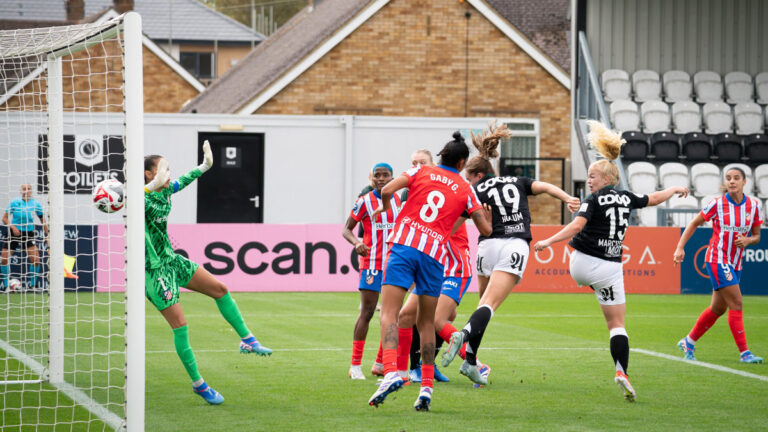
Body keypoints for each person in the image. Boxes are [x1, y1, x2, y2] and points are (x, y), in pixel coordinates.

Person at [533, 120, 690, 401]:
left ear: (606, 179)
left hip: (580, 264)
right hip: (609, 267)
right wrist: (675, 189)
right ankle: (621, 370)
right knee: (617, 325)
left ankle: (621, 375)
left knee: (613, 320)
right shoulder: (626, 198)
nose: (589, 180)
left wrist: (547, 241)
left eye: (592, 176)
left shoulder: (591, 201)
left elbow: (576, 227)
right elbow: (653, 198)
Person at [441, 121, 580, 387]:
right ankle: (464, 335)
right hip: (514, 244)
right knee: (488, 308)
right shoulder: (519, 181)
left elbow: (453, 226)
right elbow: (547, 187)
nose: (467, 182)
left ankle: (471, 363)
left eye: (469, 177)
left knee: (482, 305)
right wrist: (567, 198)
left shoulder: (475, 190)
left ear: (478, 175)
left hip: (486, 247)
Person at [368, 132, 492, 412]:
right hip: (435, 256)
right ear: (461, 162)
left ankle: (390, 373)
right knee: (427, 324)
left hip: (404, 246)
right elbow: (485, 229)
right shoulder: (465, 188)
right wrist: (487, 220)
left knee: (390, 313)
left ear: (442, 155)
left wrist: (388, 210)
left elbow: (387, 191)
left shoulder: (420, 170)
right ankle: (426, 389)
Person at [144, 141, 272, 405]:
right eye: (164, 169)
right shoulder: (141, 198)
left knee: (220, 289)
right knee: (180, 327)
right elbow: (130, 200)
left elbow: (184, 180)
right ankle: (199, 384)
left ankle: (247, 340)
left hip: (172, 260)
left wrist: (204, 166)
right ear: (149, 174)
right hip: (153, 271)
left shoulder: (164, 192)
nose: (170, 174)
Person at [673, 166, 763, 364]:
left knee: (718, 309)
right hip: (717, 258)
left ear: (744, 182)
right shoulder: (718, 204)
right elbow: (694, 223)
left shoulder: (754, 206)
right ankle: (745, 353)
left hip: (735, 263)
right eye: (728, 178)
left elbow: (757, 235)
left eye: (736, 178)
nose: (731, 181)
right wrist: (680, 247)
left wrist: (748, 241)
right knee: (737, 303)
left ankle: (689, 341)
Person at [342, 163, 401, 380]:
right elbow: (346, 229)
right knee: (367, 312)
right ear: (372, 179)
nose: (381, 179)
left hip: (395, 264)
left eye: (386, 175)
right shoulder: (364, 201)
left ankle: (380, 363)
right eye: (377, 176)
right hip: (372, 264)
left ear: (392, 178)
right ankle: (355, 366)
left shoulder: (398, 200)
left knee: (392, 314)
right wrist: (356, 243)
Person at [1, 184, 48, 291]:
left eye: (29, 189)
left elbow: (42, 220)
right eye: (24, 189)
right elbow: (4, 219)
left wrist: (47, 234)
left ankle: (33, 285)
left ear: (31, 191)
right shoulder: (14, 202)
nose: (26, 191)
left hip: (28, 233)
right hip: (14, 233)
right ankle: (6, 286)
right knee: (4, 259)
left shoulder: (36, 204)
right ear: (21, 191)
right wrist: (13, 227)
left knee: (36, 260)